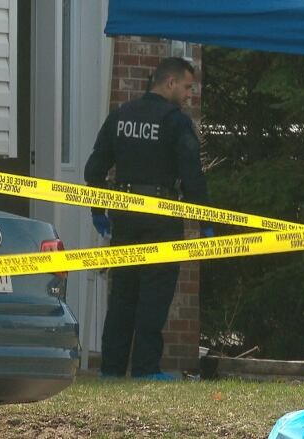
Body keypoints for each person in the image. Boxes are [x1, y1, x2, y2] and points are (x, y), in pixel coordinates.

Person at [84, 57, 210, 380]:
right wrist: (204, 219)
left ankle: (111, 370)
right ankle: (145, 369)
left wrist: (100, 210)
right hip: (161, 215)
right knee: (155, 293)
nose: (188, 96)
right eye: (186, 87)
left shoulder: (121, 116)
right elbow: (192, 176)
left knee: (123, 293)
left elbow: (93, 170)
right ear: (169, 83)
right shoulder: (175, 122)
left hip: (124, 215)